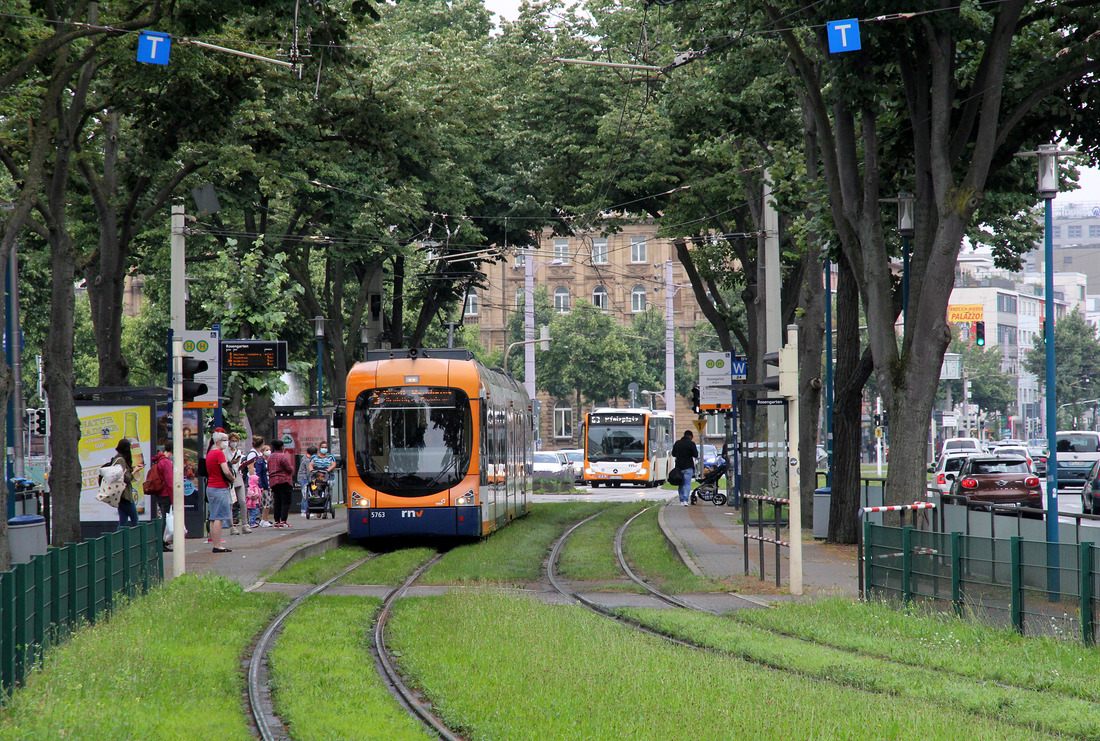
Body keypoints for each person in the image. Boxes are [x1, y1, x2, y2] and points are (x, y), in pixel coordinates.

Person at [205, 430, 234, 553]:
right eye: (225, 440)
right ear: (218, 441)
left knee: (214, 516)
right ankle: (217, 545)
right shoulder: (219, 454)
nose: (227, 443)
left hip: (211, 486)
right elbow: (226, 471)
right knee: (219, 517)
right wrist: (232, 478)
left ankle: (214, 542)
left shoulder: (210, 453)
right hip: (220, 487)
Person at [108, 438, 143, 529]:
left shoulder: (117, 459)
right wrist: (135, 471)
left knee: (123, 521)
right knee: (135, 519)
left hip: (120, 494)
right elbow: (125, 477)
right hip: (124, 495)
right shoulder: (121, 460)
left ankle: (118, 542)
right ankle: (137, 540)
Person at [148, 444, 174, 551]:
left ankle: (161, 541)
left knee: (163, 517)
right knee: (165, 518)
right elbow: (170, 481)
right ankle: (160, 542)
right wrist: (174, 498)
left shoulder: (159, 460)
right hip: (166, 494)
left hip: (159, 492)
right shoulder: (166, 462)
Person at [267, 439, 296, 528]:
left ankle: (276, 521)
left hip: (274, 481)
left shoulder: (270, 457)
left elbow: (268, 468)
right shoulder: (283, 457)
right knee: (286, 501)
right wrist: (291, 468)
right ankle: (283, 520)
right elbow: (289, 469)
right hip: (284, 480)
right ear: (282, 447)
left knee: (277, 501)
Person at [227, 432, 252, 534]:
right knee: (231, 503)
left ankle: (245, 524)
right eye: (232, 441)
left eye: (236, 441)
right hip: (230, 477)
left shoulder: (239, 452)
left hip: (238, 476)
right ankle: (232, 526)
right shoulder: (225, 452)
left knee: (242, 501)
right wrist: (231, 463)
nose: (234, 443)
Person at [670, 430, 698, 507]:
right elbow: (695, 454)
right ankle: (686, 500)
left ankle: (681, 500)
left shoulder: (677, 443)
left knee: (681, 484)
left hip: (679, 467)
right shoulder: (691, 444)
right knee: (687, 483)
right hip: (688, 466)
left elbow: (673, 454)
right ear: (690, 436)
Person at [297, 445, 316, 517]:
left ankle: (305, 510)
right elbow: (309, 472)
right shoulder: (308, 460)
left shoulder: (304, 458)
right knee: (305, 494)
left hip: (303, 478)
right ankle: (304, 511)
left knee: (306, 494)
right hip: (304, 478)